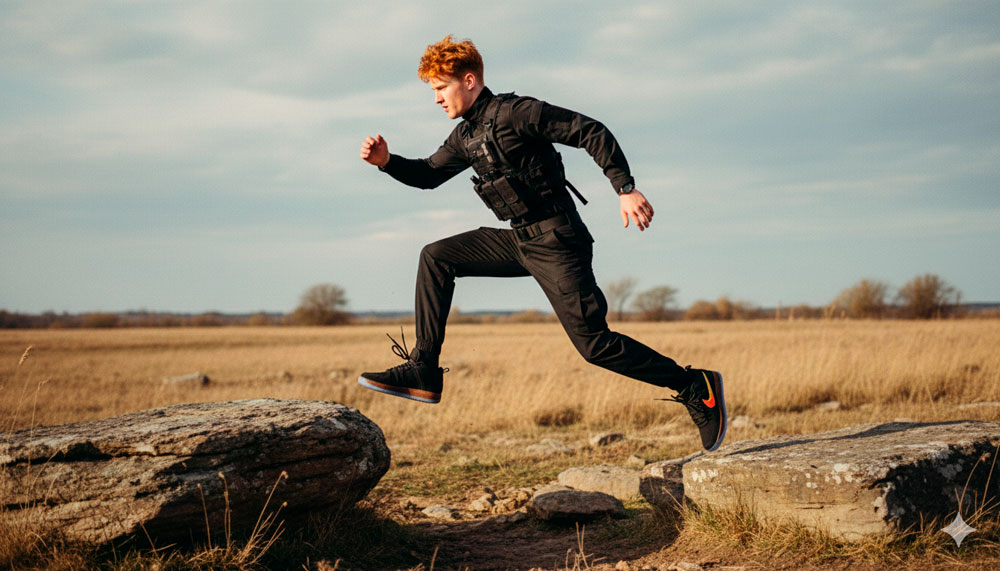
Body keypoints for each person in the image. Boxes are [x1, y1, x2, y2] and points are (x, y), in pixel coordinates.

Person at [358, 35, 727, 451]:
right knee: (436, 257)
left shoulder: (518, 112)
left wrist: (624, 187)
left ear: (470, 80)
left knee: (595, 345)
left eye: (441, 89)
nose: (437, 99)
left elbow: (590, 130)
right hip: (520, 239)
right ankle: (424, 369)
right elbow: (427, 174)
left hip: (558, 240)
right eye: (433, 92)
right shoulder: (465, 136)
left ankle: (695, 385)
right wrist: (386, 162)